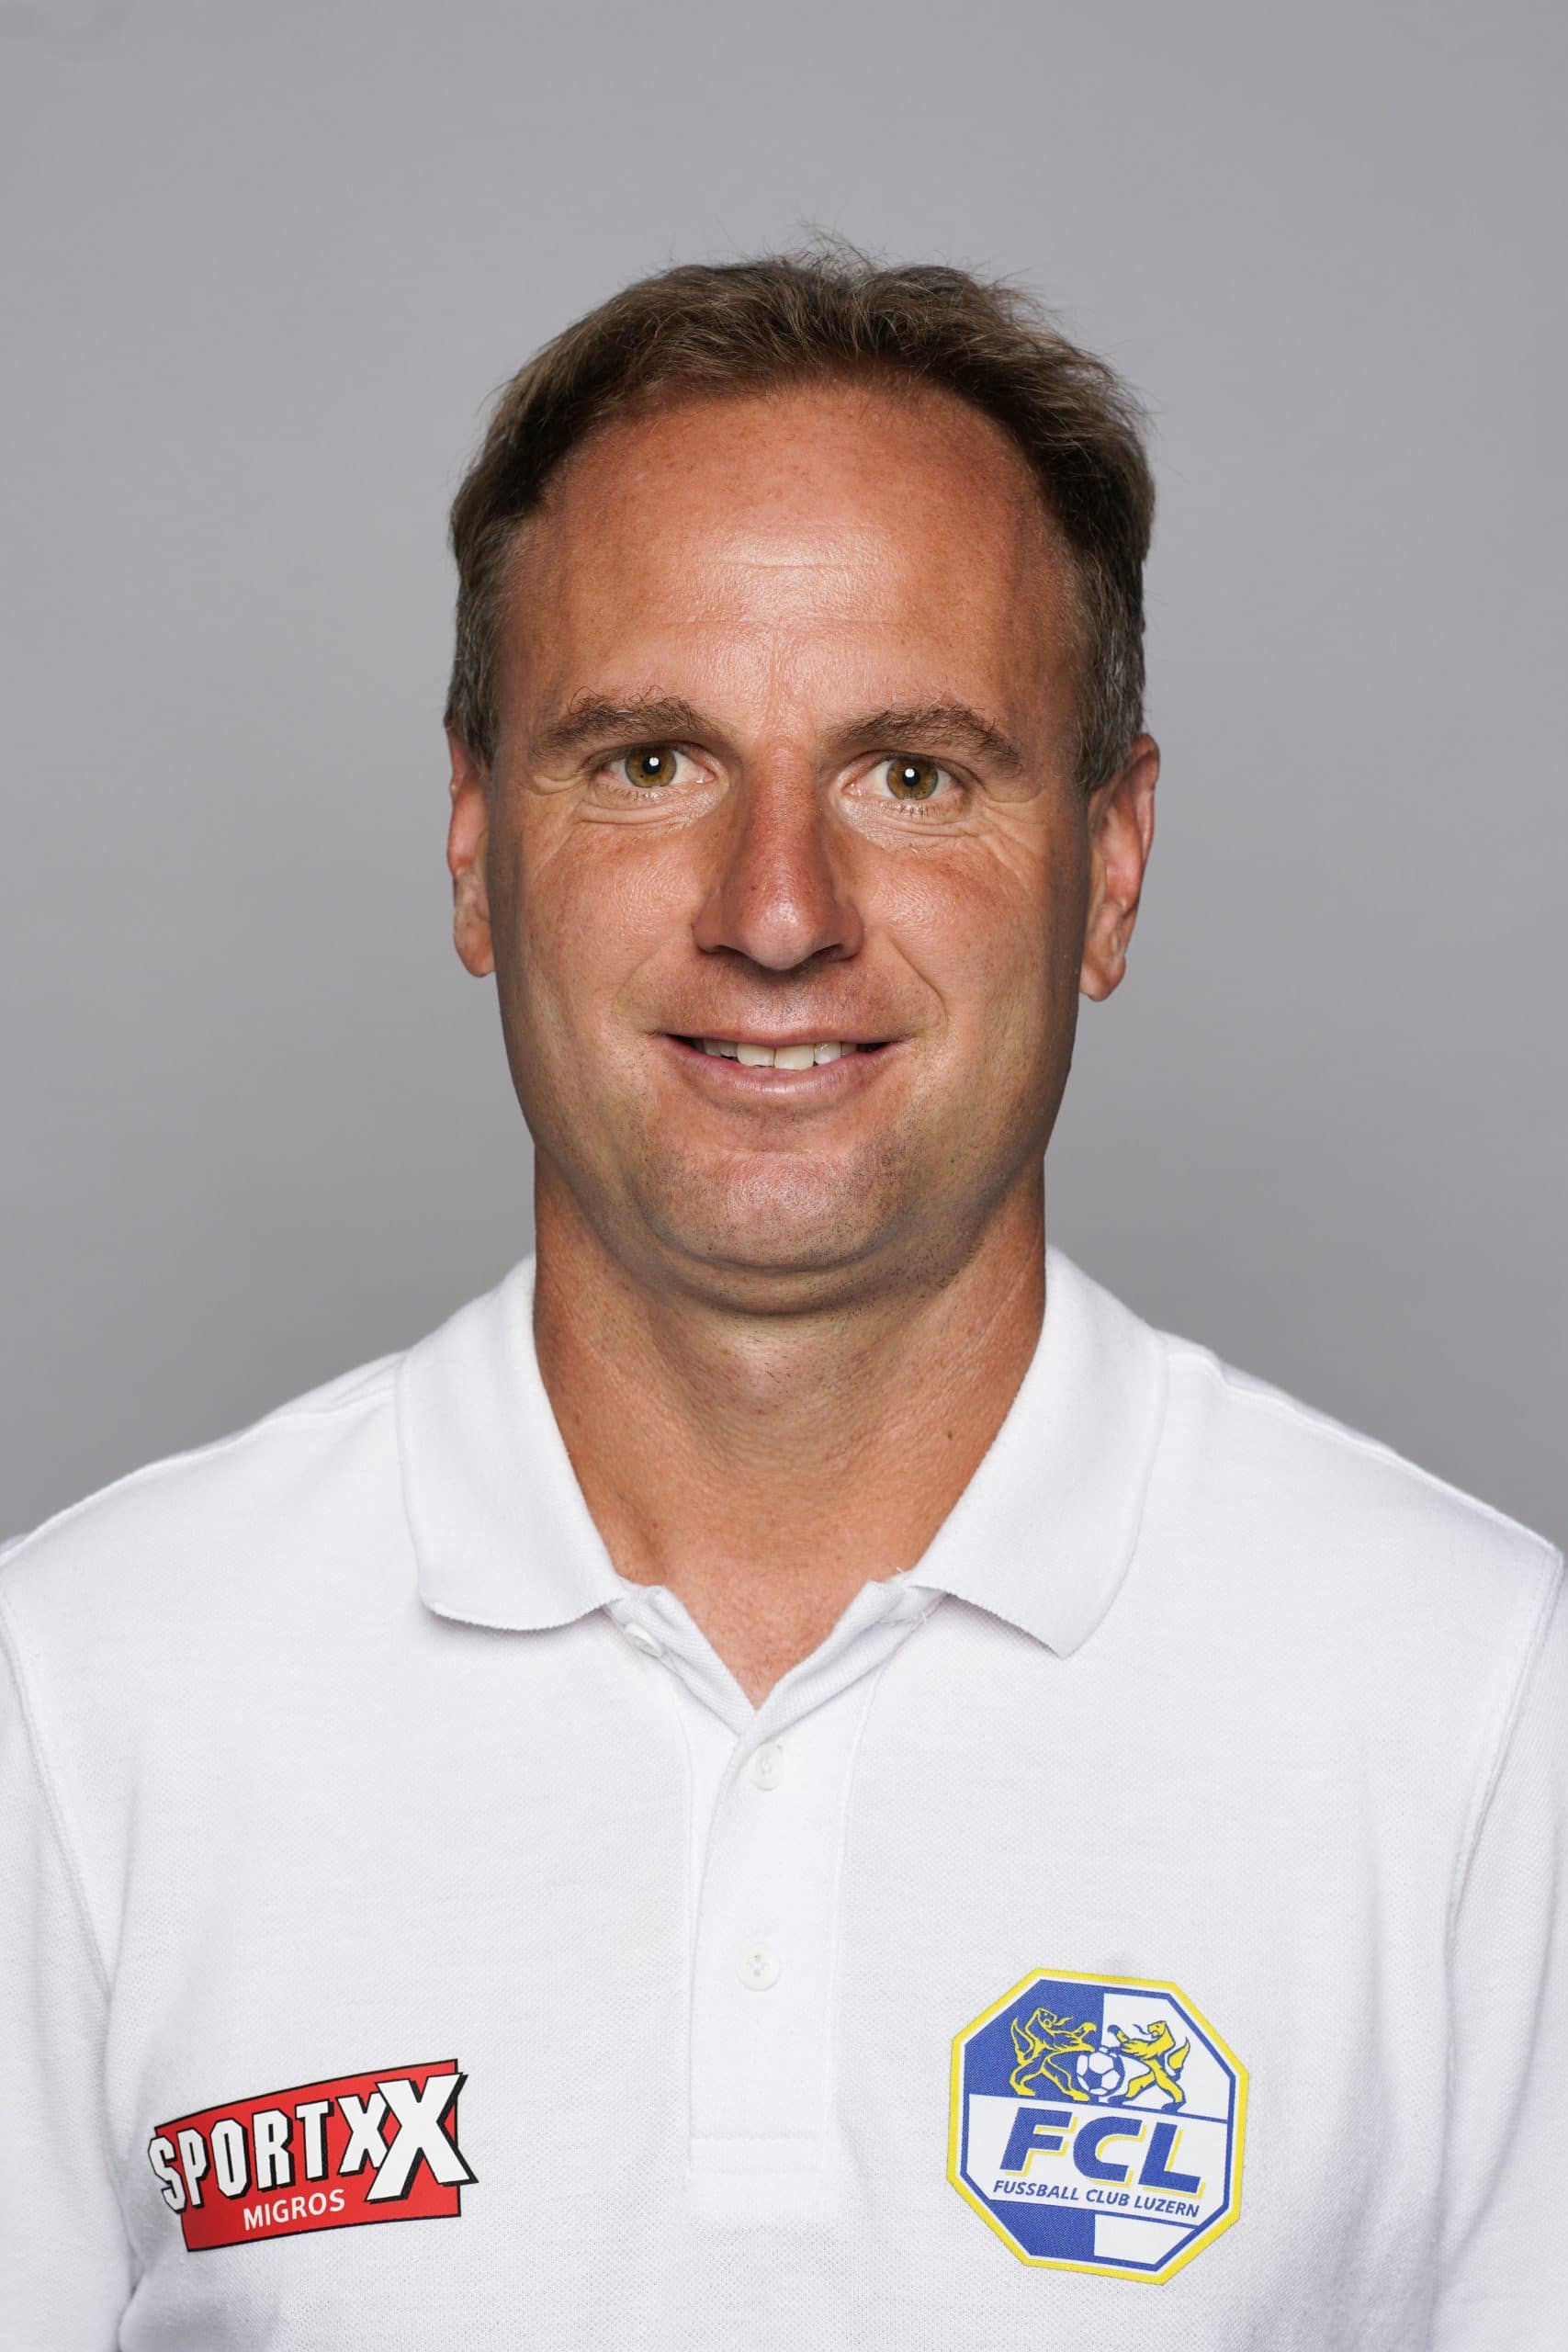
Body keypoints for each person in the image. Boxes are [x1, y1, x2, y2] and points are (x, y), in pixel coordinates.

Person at [1, 248, 1562, 2352]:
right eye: (649, 759)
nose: (774, 910)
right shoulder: (75, 1700)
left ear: (1107, 863)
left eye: (910, 773)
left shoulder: (1478, 1709)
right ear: (471, 837)